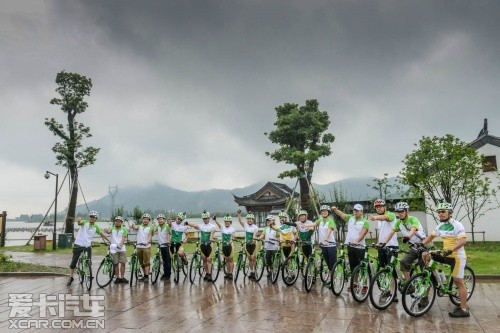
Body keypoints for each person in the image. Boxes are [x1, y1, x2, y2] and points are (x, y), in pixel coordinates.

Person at [421, 202, 470, 318]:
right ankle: (434, 278)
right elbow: (431, 236)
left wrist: (450, 250)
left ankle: (464, 309)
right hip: (445, 254)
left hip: (457, 256)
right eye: (439, 212)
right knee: (426, 255)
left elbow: (462, 241)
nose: (440, 214)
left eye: (443, 211)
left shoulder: (457, 225)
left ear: (450, 213)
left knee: (458, 281)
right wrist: (421, 244)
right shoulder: (440, 226)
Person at [380, 202, 426, 284]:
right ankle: (409, 285)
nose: (400, 214)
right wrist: (384, 242)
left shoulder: (413, 219)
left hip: (423, 245)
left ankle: (427, 292)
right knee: (403, 262)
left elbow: (413, 229)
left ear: (407, 211)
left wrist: (408, 237)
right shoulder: (398, 222)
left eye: (402, 211)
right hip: (414, 247)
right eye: (398, 212)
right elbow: (391, 233)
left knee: (424, 269)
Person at [67, 211, 110, 286]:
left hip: (87, 246)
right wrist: (79, 220)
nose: (92, 218)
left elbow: (101, 234)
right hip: (78, 244)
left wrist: (109, 241)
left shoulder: (96, 227)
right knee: (74, 261)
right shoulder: (85, 222)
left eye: (94, 217)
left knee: (88, 261)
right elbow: (80, 222)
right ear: (89, 217)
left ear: (96, 219)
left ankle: (88, 274)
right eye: (91, 216)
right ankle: (71, 277)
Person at [332, 204, 370, 274]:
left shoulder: (365, 222)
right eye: (354, 210)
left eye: (357, 211)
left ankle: (363, 283)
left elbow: (363, 233)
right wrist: (335, 210)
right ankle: (354, 283)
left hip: (360, 247)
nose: (355, 212)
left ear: (362, 212)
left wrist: (357, 241)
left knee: (360, 267)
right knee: (353, 266)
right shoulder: (350, 218)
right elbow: (342, 215)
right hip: (350, 246)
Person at [185, 210, 217, 282]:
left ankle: (209, 274)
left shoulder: (213, 226)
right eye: (204, 219)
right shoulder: (201, 226)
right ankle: (206, 273)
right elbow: (195, 225)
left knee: (209, 259)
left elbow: (213, 231)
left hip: (209, 245)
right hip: (202, 245)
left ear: (209, 218)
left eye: (206, 218)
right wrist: (187, 223)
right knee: (204, 260)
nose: (205, 220)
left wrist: (210, 239)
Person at [369, 199, 399, 268]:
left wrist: (375, 217)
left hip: (391, 246)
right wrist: (378, 243)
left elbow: (385, 217)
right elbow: (381, 233)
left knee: (391, 269)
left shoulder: (391, 215)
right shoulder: (379, 220)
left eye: (380, 207)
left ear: (385, 207)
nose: (378, 208)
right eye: (376, 207)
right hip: (381, 247)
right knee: (383, 268)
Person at [103, 216, 128, 284]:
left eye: (119, 221)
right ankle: (117, 277)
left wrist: (120, 245)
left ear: (121, 222)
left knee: (123, 263)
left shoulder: (124, 229)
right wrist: (106, 230)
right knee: (115, 264)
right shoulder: (112, 228)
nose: (117, 222)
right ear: (114, 222)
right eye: (116, 221)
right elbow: (108, 231)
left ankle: (122, 277)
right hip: (114, 249)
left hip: (122, 248)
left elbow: (123, 238)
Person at [130, 213, 154, 283]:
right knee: (141, 262)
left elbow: (150, 236)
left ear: (149, 220)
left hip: (146, 247)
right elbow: (135, 227)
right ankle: (144, 275)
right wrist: (133, 225)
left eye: (146, 219)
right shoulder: (140, 226)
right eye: (144, 219)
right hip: (139, 246)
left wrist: (147, 241)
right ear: (142, 220)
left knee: (146, 262)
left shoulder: (151, 228)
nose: (145, 220)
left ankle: (146, 276)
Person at [237, 210, 259, 279]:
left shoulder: (255, 227)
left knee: (253, 258)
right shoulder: (246, 225)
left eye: (251, 219)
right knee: (249, 258)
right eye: (248, 219)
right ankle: (251, 271)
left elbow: (255, 233)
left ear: (253, 220)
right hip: (247, 244)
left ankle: (255, 272)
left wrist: (253, 239)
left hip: (253, 244)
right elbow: (240, 221)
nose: (249, 220)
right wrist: (239, 214)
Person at [213, 214, 236, 280]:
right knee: (227, 260)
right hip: (224, 246)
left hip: (230, 246)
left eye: (228, 221)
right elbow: (218, 224)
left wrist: (230, 242)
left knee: (231, 260)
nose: (226, 222)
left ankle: (231, 273)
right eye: (225, 221)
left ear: (230, 222)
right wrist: (215, 220)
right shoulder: (222, 228)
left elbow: (233, 237)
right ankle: (228, 273)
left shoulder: (232, 229)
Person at [154, 214, 171, 280]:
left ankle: (168, 274)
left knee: (167, 261)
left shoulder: (166, 226)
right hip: (161, 245)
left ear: (164, 220)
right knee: (164, 261)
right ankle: (165, 273)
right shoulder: (157, 226)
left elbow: (168, 235)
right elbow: (153, 230)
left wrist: (168, 242)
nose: (160, 220)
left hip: (166, 245)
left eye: (161, 219)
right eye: (159, 219)